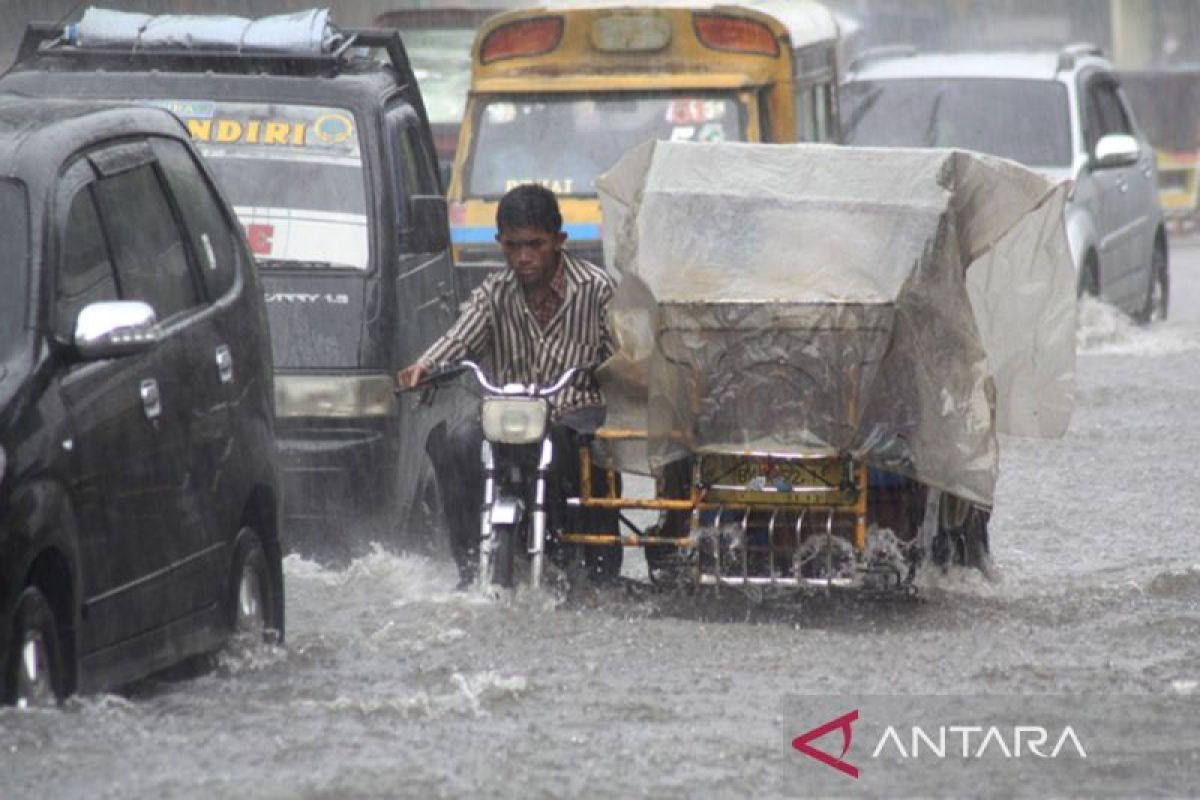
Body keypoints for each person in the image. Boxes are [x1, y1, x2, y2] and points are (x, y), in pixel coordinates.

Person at [397, 183, 618, 587]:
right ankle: (468, 566)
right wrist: (426, 366)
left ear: (558, 241)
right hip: (507, 413)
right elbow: (461, 335)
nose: (524, 257)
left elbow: (622, 355)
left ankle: (588, 563)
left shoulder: (597, 289)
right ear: (500, 243)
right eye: (512, 246)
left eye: (535, 245)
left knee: (585, 451)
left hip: (572, 413)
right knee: (455, 443)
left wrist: (619, 371)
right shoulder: (494, 292)